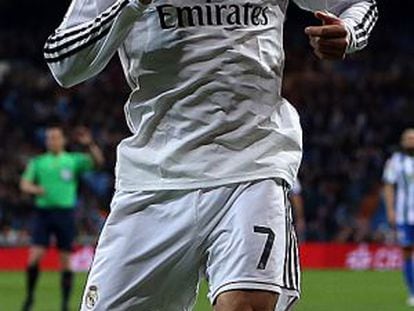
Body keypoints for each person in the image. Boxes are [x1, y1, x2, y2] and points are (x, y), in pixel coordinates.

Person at [43, 0, 377, 310]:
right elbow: (64, 63)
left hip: (253, 165)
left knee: (246, 303)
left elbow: (358, 4)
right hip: (155, 180)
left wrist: (348, 32)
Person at [20, 125, 104, 311]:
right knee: (34, 257)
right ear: (46, 141)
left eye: (56, 137)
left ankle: (65, 304)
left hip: (65, 214)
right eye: (50, 138)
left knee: (65, 260)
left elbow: (98, 162)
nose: (53, 141)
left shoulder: (72, 160)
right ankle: (29, 297)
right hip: (43, 214)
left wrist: (89, 143)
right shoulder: (39, 162)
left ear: (63, 140)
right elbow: (24, 183)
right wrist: (36, 189)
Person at [383, 128, 414, 307]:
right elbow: (388, 186)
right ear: (402, 141)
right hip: (404, 216)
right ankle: (412, 291)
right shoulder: (395, 161)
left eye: (413, 138)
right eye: (408, 138)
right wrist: (390, 210)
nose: (410, 141)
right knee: (407, 252)